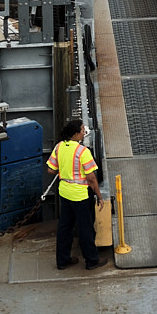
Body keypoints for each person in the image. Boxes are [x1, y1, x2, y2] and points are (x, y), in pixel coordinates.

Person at [47, 116, 104, 271]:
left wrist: (65, 170)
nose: (84, 131)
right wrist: (99, 194)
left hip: (64, 193)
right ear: (76, 134)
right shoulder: (82, 151)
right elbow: (91, 177)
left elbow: (51, 169)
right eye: (82, 129)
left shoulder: (59, 147)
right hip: (80, 195)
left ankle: (62, 260)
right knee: (85, 228)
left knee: (64, 227)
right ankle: (92, 261)